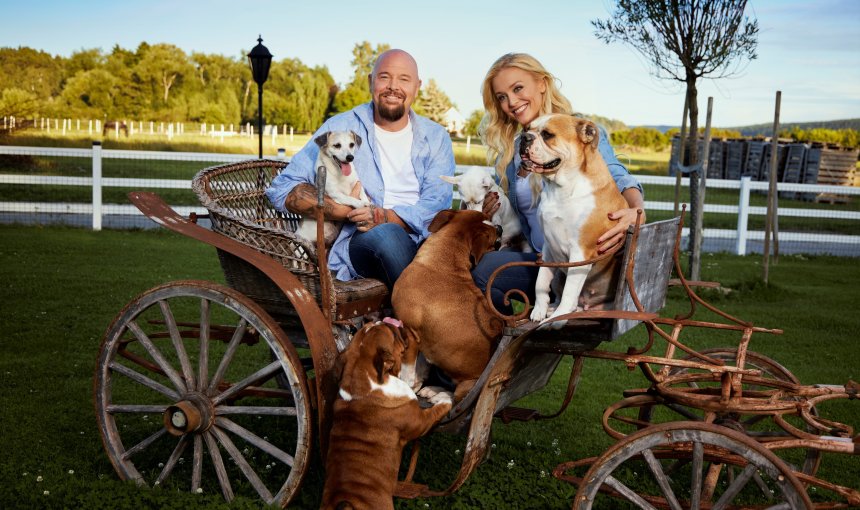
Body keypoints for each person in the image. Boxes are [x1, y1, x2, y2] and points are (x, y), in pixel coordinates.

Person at [266, 49, 455, 289]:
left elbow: (437, 206)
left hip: (425, 238)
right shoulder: (340, 127)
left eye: (403, 79)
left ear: (417, 87)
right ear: (370, 81)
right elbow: (284, 189)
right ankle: (424, 316)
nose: (393, 86)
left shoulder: (436, 137)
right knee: (388, 237)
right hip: (364, 240)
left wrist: (383, 216)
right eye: (384, 77)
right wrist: (344, 211)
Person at [472, 53, 646, 313]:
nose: (511, 102)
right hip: (542, 259)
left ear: (542, 83)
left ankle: (512, 337)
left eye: (518, 89)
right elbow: (519, 217)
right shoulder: (513, 151)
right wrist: (489, 206)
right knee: (474, 264)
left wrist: (636, 211)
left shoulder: (576, 131)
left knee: (487, 270)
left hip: (577, 265)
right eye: (502, 97)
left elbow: (616, 177)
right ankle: (507, 335)